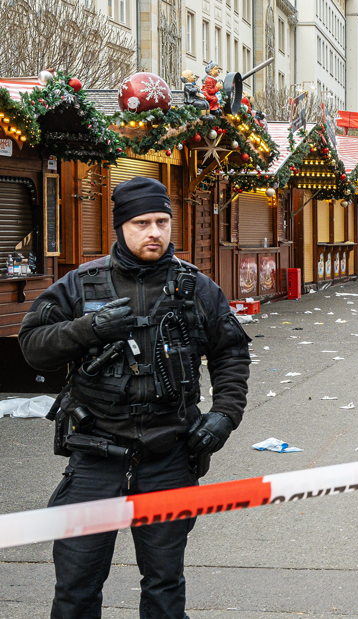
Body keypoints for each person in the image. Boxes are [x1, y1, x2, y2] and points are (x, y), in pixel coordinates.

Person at [19, 177, 251, 619]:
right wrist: (88, 329)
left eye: (162, 221)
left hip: (169, 456)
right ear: (120, 226)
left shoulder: (197, 288)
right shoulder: (79, 285)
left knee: (164, 584)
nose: (154, 232)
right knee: (76, 586)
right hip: (95, 456)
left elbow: (231, 353)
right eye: (141, 223)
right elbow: (32, 346)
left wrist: (225, 414)